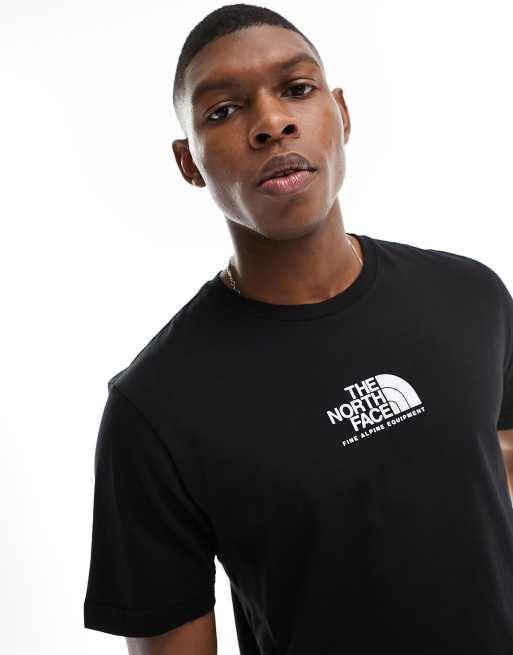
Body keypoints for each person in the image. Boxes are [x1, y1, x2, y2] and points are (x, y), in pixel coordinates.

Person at [83, 4, 513, 654]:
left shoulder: (471, 296)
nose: (271, 122)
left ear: (340, 113)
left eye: (297, 88)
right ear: (188, 161)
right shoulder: (155, 408)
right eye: (223, 110)